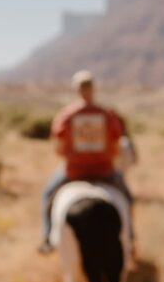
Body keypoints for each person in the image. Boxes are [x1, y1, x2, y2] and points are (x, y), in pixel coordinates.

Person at [38, 70, 134, 253]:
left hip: (73, 171)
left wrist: (74, 155)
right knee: (127, 199)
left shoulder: (67, 115)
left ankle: (48, 237)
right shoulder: (107, 114)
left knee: (47, 196)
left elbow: (58, 147)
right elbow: (116, 146)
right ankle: (130, 236)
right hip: (105, 171)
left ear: (77, 90)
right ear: (93, 90)